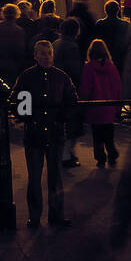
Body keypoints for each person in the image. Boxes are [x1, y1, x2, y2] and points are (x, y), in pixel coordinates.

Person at [12, 39, 77, 227]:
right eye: (43, 54)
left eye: (49, 54)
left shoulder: (59, 77)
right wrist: (28, 118)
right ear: (36, 56)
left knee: (54, 176)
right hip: (37, 132)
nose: (47, 57)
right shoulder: (29, 77)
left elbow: (72, 100)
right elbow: (18, 102)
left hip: (52, 132)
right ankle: (36, 215)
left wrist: (61, 117)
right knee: (35, 177)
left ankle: (53, 214)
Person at [80, 39, 122, 168]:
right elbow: (117, 87)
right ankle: (112, 154)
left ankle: (100, 158)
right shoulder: (111, 67)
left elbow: (85, 88)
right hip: (109, 106)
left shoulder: (88, 67)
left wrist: (82, 103)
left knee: (97, 135)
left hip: (94, 107)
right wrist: (118, 105)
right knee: (109, 133)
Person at [52, 18, 85, 167]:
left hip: (54, 86)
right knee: (71, 123)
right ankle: (66, 155)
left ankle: (64, 153)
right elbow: (74, 71)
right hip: (66, 88)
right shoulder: (72, 47)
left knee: (60, 121)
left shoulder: (56, 43)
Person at [0, 3, 28, 85]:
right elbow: (20, 51)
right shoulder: (19, 31)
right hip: (11, 66)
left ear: (3, 13)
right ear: (16, 15)